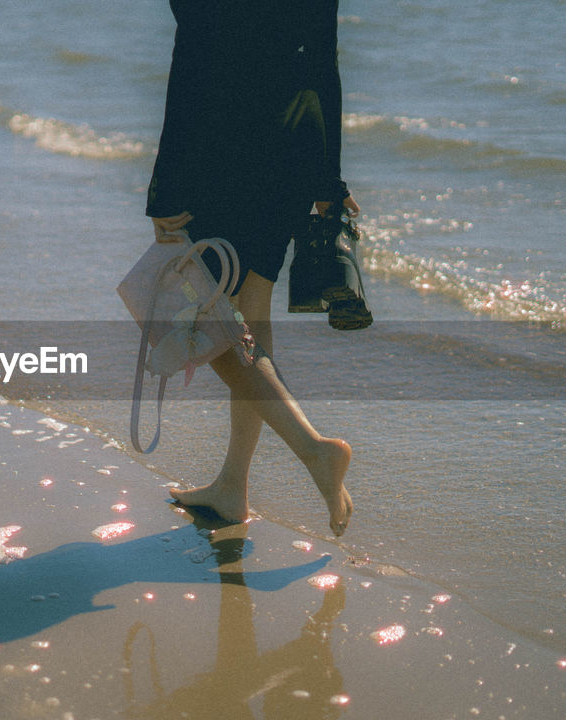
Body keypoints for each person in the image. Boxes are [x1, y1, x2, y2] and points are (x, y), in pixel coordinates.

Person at [147, 0, 358, 536]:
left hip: (226, 140)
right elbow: (323, 61)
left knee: (204, 317)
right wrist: (327, 180)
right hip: (293, 141)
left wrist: (165, 188)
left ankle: (313, 450)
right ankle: (232, 486)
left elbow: (193, 58)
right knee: (250, 307)